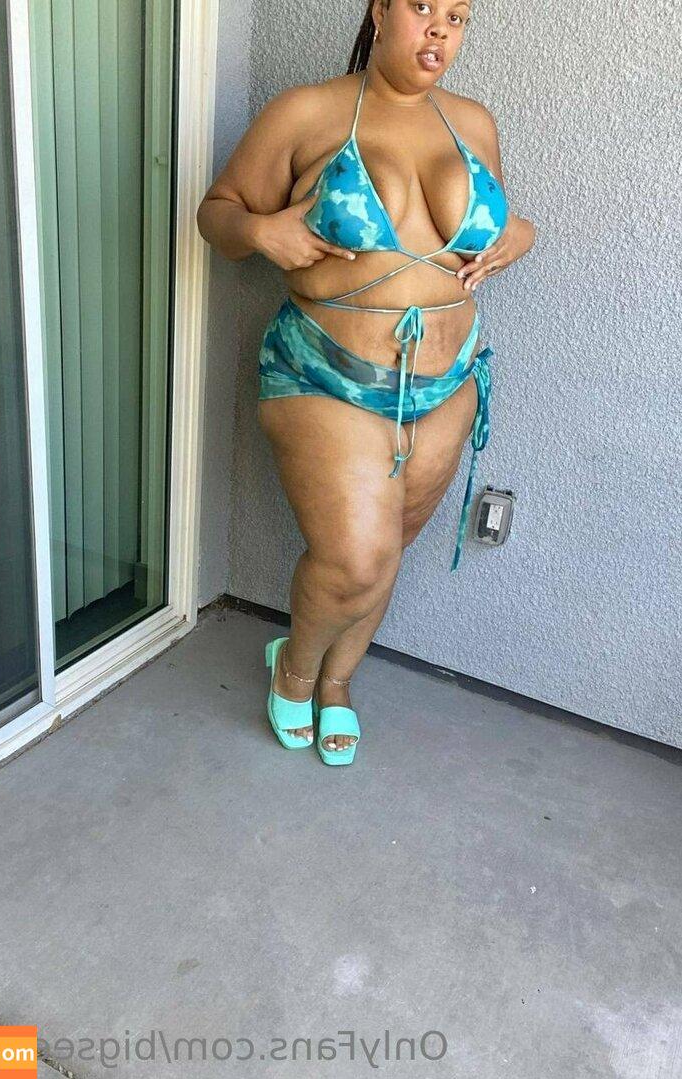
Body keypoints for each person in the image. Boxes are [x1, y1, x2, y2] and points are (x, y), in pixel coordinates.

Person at [196, 0, 536, 765]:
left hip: (448, 382)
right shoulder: (305, 112)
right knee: (352, 558)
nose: (439, 29)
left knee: (387, 553)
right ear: (380, 10)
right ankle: (294, 670)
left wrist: (518, 234)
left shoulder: (472, 123)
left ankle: (338, 681)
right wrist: (259, 230)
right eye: (422, 7)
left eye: (458, 16)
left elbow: (493, 224)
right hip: (326, 373)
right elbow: (218, 214)